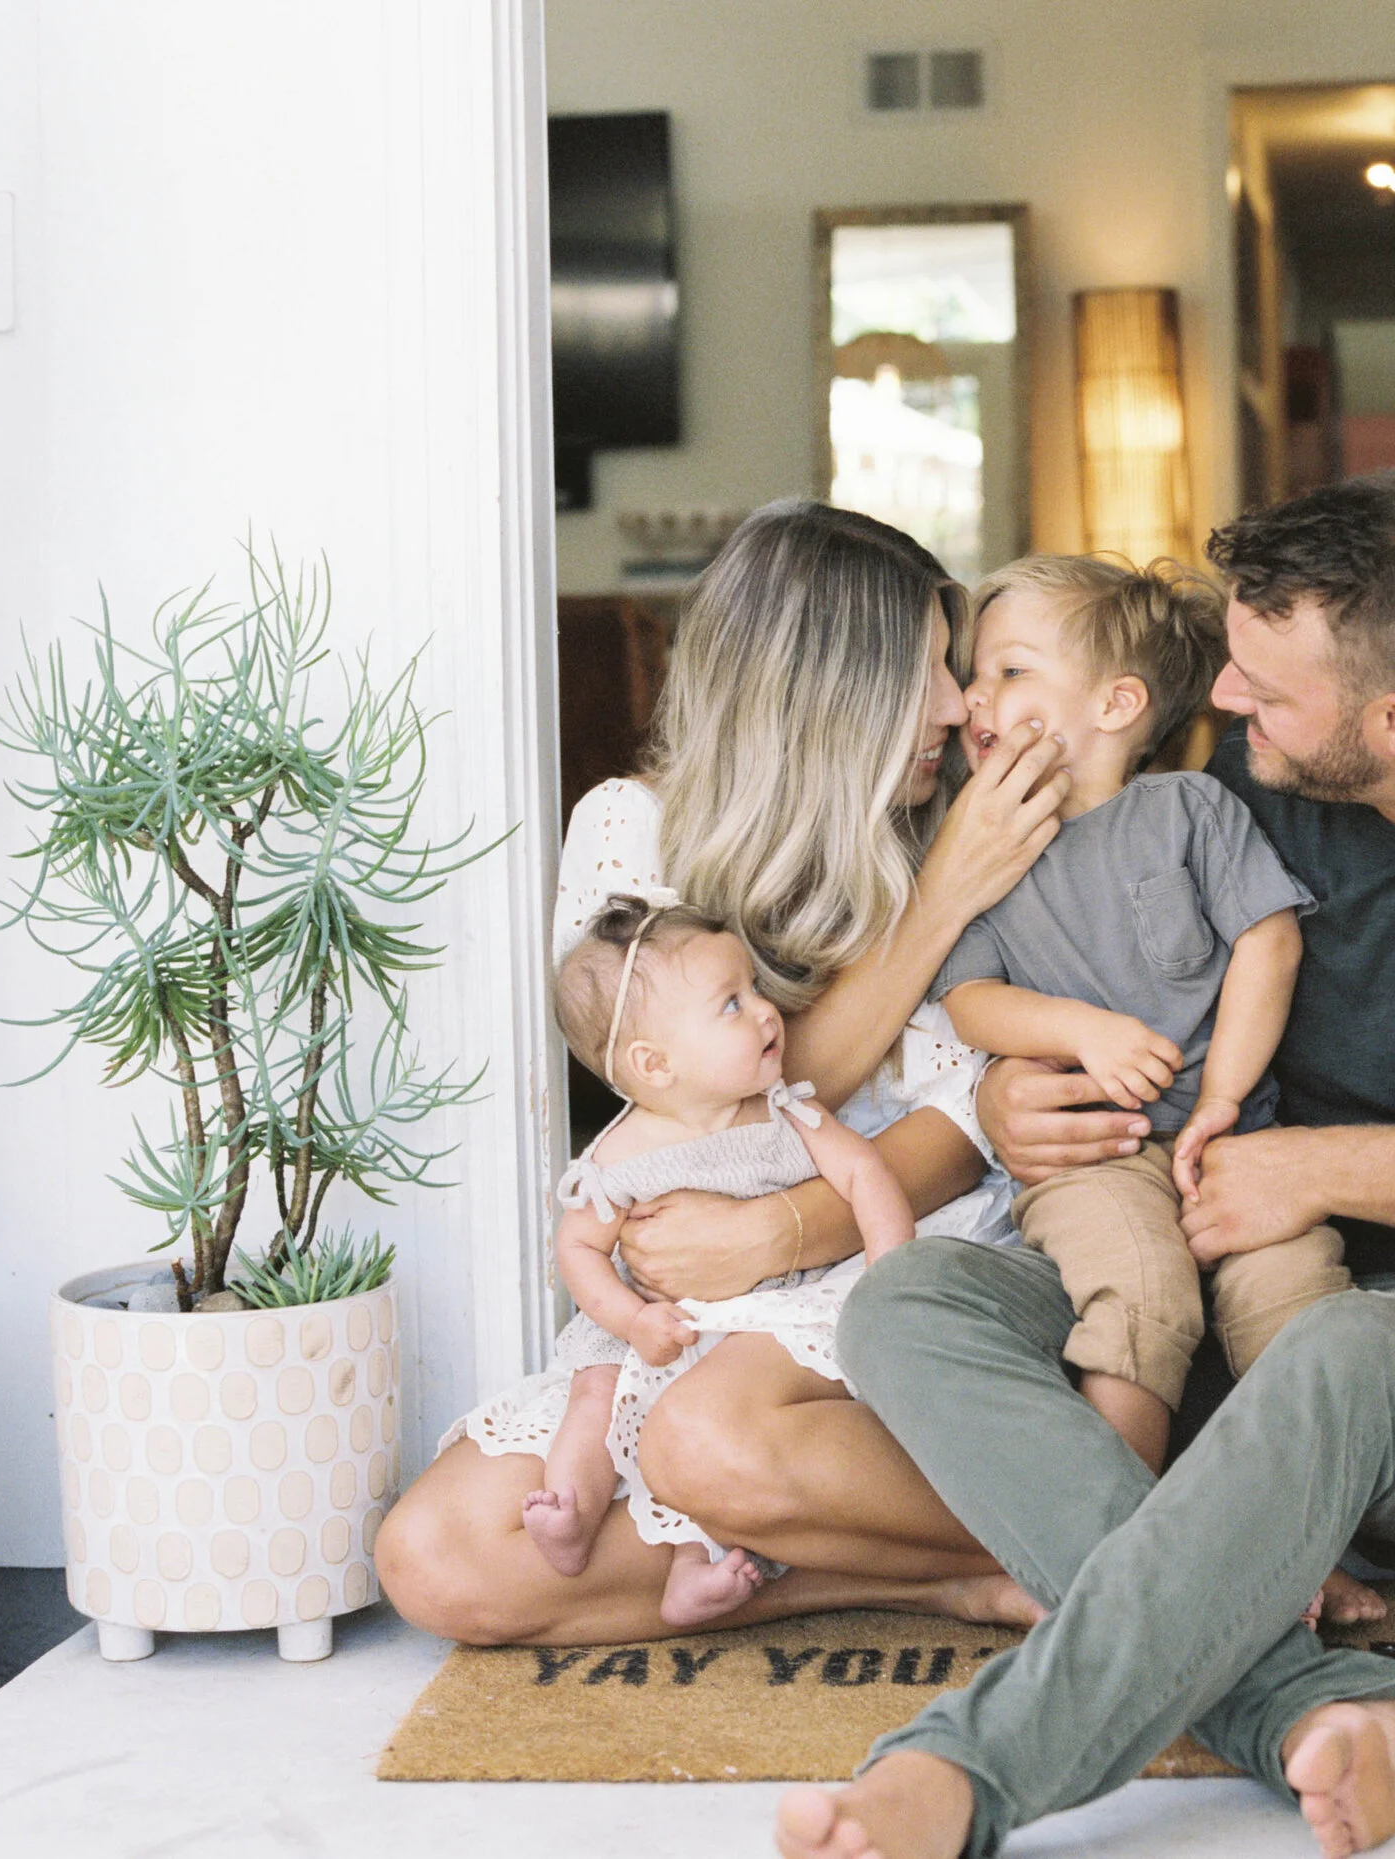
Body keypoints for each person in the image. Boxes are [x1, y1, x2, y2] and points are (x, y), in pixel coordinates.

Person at [778, 469, 1395, 1859]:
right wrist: (1012, 1093)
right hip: (1212, 1277)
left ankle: (969, 1774)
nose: (1223, 701)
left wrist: (1314, 1169)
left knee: (1335, 1353)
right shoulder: (1243, 781)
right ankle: (1321, 1697)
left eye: (1263, 686)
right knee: (906, 1305)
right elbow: (1083, 966)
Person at [379, 500, 1106, 1646]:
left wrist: (781, 1231)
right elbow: (711, 1100)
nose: (959, 705)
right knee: (437, 1559)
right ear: (827, 692)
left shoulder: (955, 834)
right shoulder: (633, 829)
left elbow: (967, 1127)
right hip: (696, 1296)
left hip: (894, 1249)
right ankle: (940, 1577)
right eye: (924, 670)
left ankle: (1129, 1541)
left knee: (707, 1442)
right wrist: (933, 911)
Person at [934, 554, 1348, 1472]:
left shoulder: (1189, 809)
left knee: (1295, 1290)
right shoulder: (987, 844)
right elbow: (969, 1001)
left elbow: (1268, 941)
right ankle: (1122, 1536)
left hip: (1233, 1136)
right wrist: (1079, 1030)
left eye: (1009, 671)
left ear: (1116, 706)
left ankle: (1301, 1536)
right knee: (1142, 1292)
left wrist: (1223, 1101)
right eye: (976, 676)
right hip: (1092, 1154)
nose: (973, 698)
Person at [517, 899, 913, 1627]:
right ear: (654, 1063)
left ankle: (694, 1568)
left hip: (760, 1319)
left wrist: (892, 1275)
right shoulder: (624, 1152)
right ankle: (569, 1509)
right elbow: (577, 1249)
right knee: (596, 1391)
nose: (766, 1013)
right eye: (732, 1003)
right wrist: (631, 1318)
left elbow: (865, 1175)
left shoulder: (785, 1110)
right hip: (659, 1323)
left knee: (713, 1428)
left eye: (756, 991)